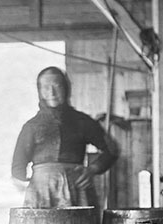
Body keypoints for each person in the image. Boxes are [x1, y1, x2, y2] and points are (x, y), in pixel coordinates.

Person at [10, 66, 118, 216]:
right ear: (39, 91)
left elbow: (111, 150)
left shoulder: (82, 121)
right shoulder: (31, 126)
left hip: (77, 189)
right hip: (42, 193)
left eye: (57, 86)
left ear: (66, 88)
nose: (52, 93)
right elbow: (17, 165)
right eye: (46, 87)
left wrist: (92, 170)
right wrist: (27, 183)